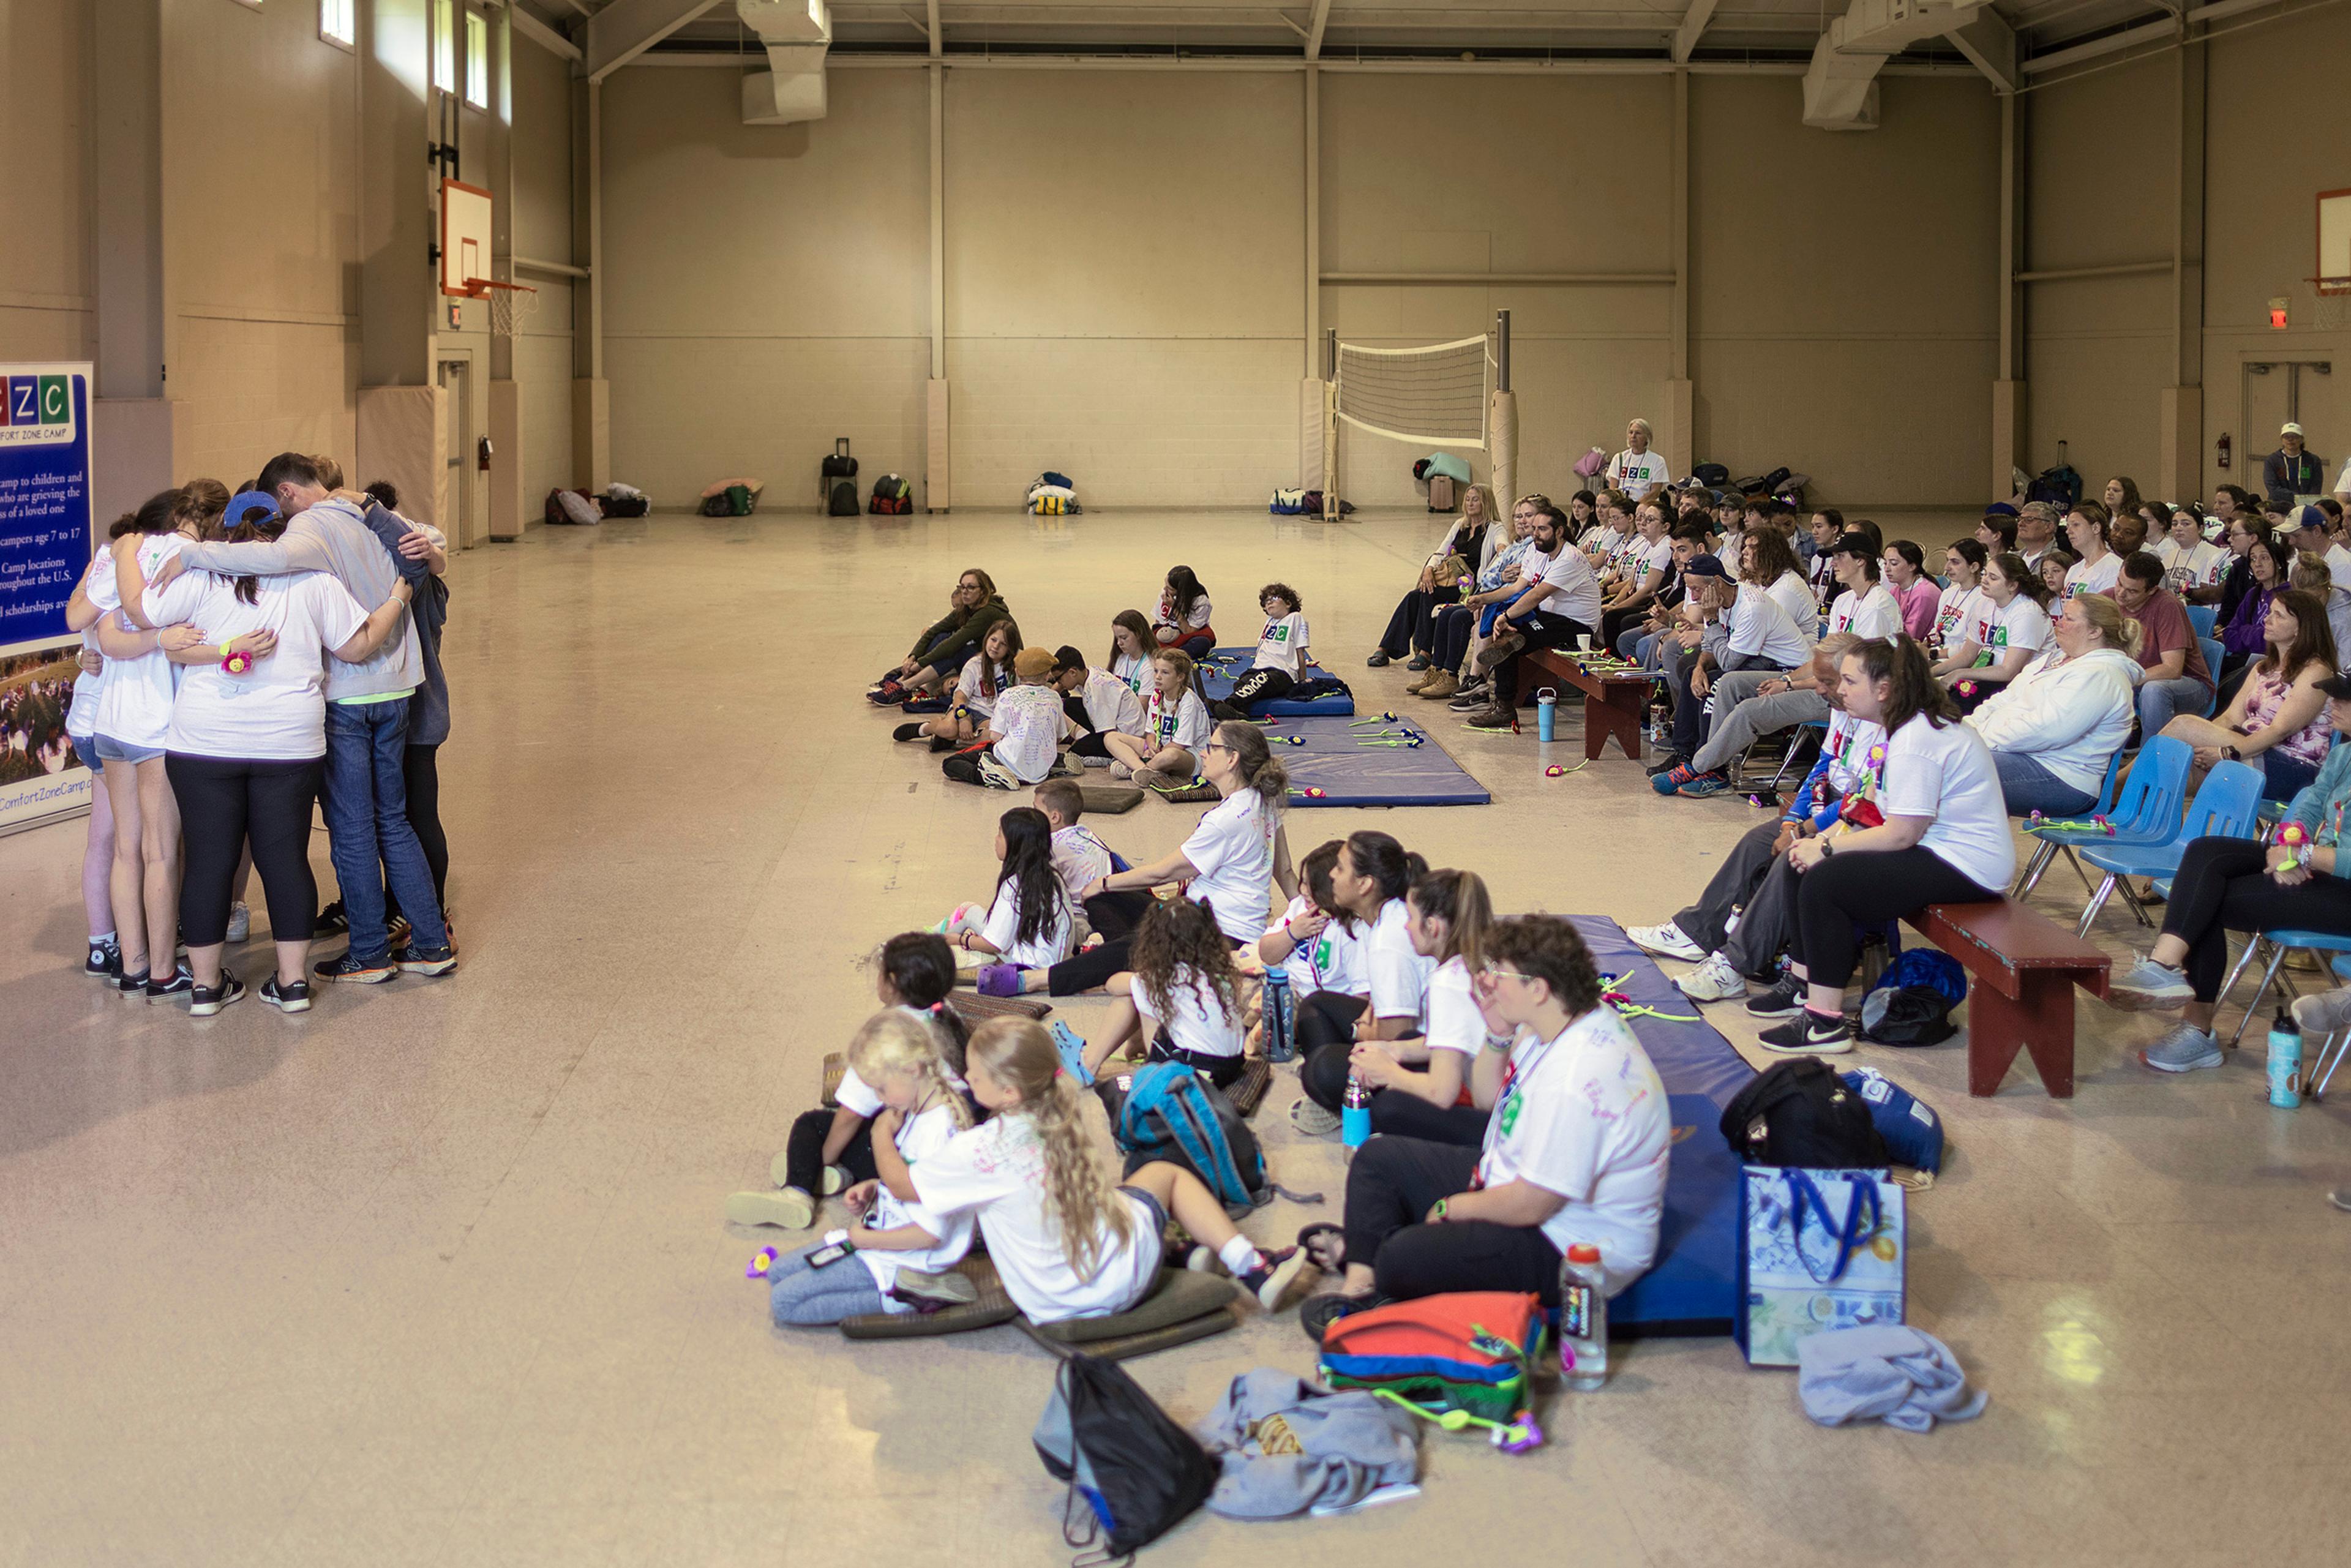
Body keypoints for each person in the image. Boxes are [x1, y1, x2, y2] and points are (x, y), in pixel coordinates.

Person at [1293, 914, 1670, 1340]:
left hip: (1570, 1245)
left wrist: (1450, 1208)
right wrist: (1497, 1033)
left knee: (1402, 1256)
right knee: (1376, 1159)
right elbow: (1491, 1099)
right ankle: (1361, 1285)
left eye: (1499, 975)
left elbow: (1533, 1204)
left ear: (1538, 988)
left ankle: (1378, 1265)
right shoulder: (1560, 1018)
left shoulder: (1577, 1078)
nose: (1487, 983)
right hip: (1511, 1176)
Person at [150, 457, 452, 985]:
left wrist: (189, 556)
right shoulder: (372, 516)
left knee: (350, 831)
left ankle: (370, 952)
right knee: (394, 820)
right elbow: (431, 556)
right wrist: (402, 592)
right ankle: (429, 944)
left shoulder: (303, 542)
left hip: (337, 705)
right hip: (397, 693)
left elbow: (155, 611)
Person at [912, 1018, 1314, 1321]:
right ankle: (1239, 1262)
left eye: (974, 1074)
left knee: (1142, 1183)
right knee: (1164, 1173)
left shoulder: (976, 1148)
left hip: (1052, 1303)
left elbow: (910, 1184)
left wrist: (883, 1133)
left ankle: (1212, 1260)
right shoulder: (1056, 1119)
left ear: (1009, 1092)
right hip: (1115, 1278)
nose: (965, 1079)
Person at [1752, 637, 2015, 1054]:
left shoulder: (1918, 737)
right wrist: (1816, 837)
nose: (1841, 689)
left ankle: (1824, 1023)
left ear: (1885, 690)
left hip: (1969, 866)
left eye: (1851, 681)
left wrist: (1828, 850)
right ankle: (1803, 984)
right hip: (1935, 848)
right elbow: (1871, 800)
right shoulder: (1902, 726)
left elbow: (1901, 833)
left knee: (1826, 881)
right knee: (1797, 859)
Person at [2109, 675, 2351, 1071]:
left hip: (2343, 888)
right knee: (2208, 853)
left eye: (2346, 696)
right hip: (2317, 864)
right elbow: (2310, 806)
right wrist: (2291, 845)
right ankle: (2163, 966)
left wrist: (2304, 855)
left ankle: (2197, 1031)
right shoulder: (2344, 756)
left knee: (2209, 899)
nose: (2333, 701)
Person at [1630, 636, 1875, 1002]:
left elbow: (1861, 800)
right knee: (1757, 842)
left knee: (1790, 860)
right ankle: (1697, 932)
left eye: (1827, 682)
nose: (1819, 689)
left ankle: (1734, 966)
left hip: (1863, 826)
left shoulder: (1882, 722)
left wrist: (1805, 831)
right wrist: (1793, 819)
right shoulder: (1844, 708)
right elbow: (1822, 771)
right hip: (1831, 811)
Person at [1039, 721, 1298, 996]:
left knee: (1113, 911)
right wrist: (1307, 912)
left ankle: (1039, 979)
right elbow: (1285, 871)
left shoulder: (1226, 820)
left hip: (1217, 937)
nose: (1204, 754)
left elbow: (1163, 873)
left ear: (1232, 759)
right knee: (1107, 897)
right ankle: (1135, 956)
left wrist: (1104, 881)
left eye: (1212, 747)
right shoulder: (1262, 800)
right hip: (1200, 918)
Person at [733, 933, 968, 1232]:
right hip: (948, 1142)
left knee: (812, 1125)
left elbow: (849, 1116)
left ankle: (799, 1192)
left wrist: (823, 1161)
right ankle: (841, 1177)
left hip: (905, 1157)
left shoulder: (888, 1035)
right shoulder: (947, 1013)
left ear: (893, 981)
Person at [758, 1009, 980, 1324]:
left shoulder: (939, 1132)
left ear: (913, 1069)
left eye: (881, 1088)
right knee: (777, 1273)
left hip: (908, 1261)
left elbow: (931, 1233)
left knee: (786, 1303)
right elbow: (912, 1181)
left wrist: (865, 1241)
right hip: (883, 1231)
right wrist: (876, 1187)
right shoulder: (914, 1108)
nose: (878, 1099)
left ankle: (907, 1300)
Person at [1655, 533, 1896, 797]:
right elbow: (1822, 660)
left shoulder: (1877, 607)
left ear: (1861, 561)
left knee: (1748, 709)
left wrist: (1791, 684)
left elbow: (1860, 677)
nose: (1834, 563)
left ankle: (1698, 766)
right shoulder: (1844, 601)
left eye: (1840, 557)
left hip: (1846, 697)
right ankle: (1714, 771)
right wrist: (1789, 680)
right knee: (1728, 681)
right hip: (1816, 681)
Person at [72, 490, 194, 997]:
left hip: (110, 724)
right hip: (154, 727)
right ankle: (164, 971)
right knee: (161, 851)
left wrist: (120, 556)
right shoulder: (174, 562)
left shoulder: (112, 561)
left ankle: (134, 965)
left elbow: (90, 627)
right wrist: (163, 640)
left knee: (127, 850)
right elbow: (149, 629)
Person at [1346, 868, 1498, 1147]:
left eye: (1411, 918)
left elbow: (1442, 1093)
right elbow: (1454, 1039)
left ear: (1433, 926)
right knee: (1404, 1042)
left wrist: (1389, 1072)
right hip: (1500, 1095)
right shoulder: (1478, 960)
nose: (1405, 927)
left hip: (1496, 1125)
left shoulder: (1447, 983)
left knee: (1389, 1106)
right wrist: (1393, 1050)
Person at [1292, 832, 1433, 1127]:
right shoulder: (1381, 916)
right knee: (1316, 1006)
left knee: (1320, 1070)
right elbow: (1377, 999)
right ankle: (1348, 1097)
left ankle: (1366, 1106)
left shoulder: (1390, 941)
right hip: (1403, 1034)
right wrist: (1365, 1024)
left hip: (1424, 1055)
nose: (1332, 873)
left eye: (1340, 868)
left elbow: (1396, 1037)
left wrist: (1360, 1032)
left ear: (1365, 884)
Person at [1966, 593, 2142, 817]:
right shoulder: (2053, 660)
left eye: (2069, 618)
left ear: (2094, 631)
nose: (2059, 622)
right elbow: (2004, 699)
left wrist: (1978, 739)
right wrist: (1966, 728)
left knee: (1948, 767)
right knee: (1936, 756)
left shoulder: (2102, 675)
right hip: (2021, 756)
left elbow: (2046, 730)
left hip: (2063, 780)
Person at [2156, 587, 2336, 798]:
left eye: (2278, 615)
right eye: (2270, 612)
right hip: (2251, 750)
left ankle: (2114, 787)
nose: (2267, 620)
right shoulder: (2263, 668)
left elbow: (2279, 731)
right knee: (2180, 770)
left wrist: (2226, 753)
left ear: (2301, 628)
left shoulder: (2316, 671)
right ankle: (2135, 810)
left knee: (2183, 725)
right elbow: (2231, 717)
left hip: (2292, 767)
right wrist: (2202, 746)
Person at [1061, 896, 1251, 1088]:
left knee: (1133, 995)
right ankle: (1132, 1050)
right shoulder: (1219, 973)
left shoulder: (1162, 977)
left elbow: (1113, 984)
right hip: (1231, 1065)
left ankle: (1090, 1063)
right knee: (1142, 991)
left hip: (1192, 1071)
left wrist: (1139, 976)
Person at [1460, 505, 1601, 731]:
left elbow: (1537, 595)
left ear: (1559, 532)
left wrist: (1506, 616)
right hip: (1548, 616)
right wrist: (1483, 598)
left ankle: (1504, 708)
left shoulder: (1570, 558)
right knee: (1508, 636)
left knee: (1508, 640)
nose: (1535, 534)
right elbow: (1517, 588)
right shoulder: (1536, 551)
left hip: (1576, 626)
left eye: (1542, 529)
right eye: (1534, 528)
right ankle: (1503, 704)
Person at [1415, 493, 1538, 704]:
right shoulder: (1515, 547)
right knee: (1441, 610)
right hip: (1493, 595)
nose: (1522, 520)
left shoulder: (1533, 549)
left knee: (1459, 618)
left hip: (1509, 602)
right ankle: (1440, 670)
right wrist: (1499, 577)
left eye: (1528, 516)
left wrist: (1487, 597)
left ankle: (1458, 677)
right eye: (1518, 516)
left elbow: (1521, 586)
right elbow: (1488, 576)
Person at [942, 806, 1075, 991]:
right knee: (972, 914)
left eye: (1000, 834)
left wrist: (961, 940)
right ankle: (943, 935)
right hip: (1056, 960)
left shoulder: (1015, 885)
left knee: (968, 910)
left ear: (1015, 843)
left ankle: (938, 940)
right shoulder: (1052, 876)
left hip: (1029, 967)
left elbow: (995, 944)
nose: (996, 840)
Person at [1369, 484, 1494, 667]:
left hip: (1467, 589)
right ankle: (1386, 648)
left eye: (1475, 500)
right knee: (1414, 596)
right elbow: (1441, 552)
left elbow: (1502, 548)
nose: (1470, 503)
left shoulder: (1494, 529)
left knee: (1429, 592)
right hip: (1448, 581)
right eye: (1468, 499)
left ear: (1486, 503)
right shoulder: (1460, 525)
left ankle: (1425, 650)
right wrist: (1429, 569)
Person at [1256, 839, 1368, 1035]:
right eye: (1303, 883)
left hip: (1317, 1005)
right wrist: (1292, 933)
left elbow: (1362, 997)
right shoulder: (1299, 907)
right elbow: (1266, 953)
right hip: (1285, 987)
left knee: (1274, 1023)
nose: (1303, 891)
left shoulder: (1351, 929)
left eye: (1311, 885)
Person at [2109, 550, 2214, 736]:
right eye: (2119, 583)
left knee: (2154, 690)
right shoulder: (2109, 599)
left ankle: (2153, 758)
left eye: (2132, 591)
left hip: (2188, 685)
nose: (2121, 594)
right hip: (2136, 683)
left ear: (2152, 590)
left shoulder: (2167, 606)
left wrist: (2124, 678)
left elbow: (2172, 670)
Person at [1932, 551, 2053, 710]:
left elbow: (2008, 671)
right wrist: (1930, 673)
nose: (1985, 580)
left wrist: (1961, 674)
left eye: (1993, 578)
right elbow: (1967, 655)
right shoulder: (1984, 603)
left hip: (2016, 684)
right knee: (1925, 691)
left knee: (1948, 707)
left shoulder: (2027, 613)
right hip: (1983, 674)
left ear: (2013, 585)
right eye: (1985, 574)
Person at [869, 569, 1010, 704]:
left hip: (1001, 664)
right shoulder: (966, 609)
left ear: (983, 591)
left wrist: (920, 664)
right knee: (941, 636)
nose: (965, 592)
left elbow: (955, 642)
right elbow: (934, 631)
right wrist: (913, 657)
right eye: (962, 587)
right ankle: (903, 679)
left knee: (956, 649)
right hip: (983, 656)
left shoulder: (988, 612)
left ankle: (905, 685)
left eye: (971, 588)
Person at [940, 646, 1070, 790]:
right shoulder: (1055, 697)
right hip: (1041, 772)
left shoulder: (1008, 695)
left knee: (951, 763)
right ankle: (1051, 765)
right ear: (1047, 676)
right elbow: (1058, 738)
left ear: (1017, 673)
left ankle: (987, 776)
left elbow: (996, 736)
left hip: (1008, 761)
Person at [896, 617, 1019, 748]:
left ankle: (953, 741)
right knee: (948, 729)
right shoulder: (974, 664)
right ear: (987, 639)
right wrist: (964, 718)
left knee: (995, 737)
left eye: (1003, 644)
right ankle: (925, 729)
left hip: (990, 716)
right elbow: (960, 696)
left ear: (1010, 648)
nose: (995, 646)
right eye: (993, 640)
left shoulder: (1015, 668)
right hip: (968, 708)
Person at [1103, 648, 1210, 787]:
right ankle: (1145, 771)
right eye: (1156, 671)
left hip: (1189, 756)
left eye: (1165, 673)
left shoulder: (1188, 701)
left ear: (1180, 677)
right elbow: (1150, 733)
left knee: (1171, 755)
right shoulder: (1156, 695)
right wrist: (1151, 745)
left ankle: (1140, 767)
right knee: (1111, 737)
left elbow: (1180, 745)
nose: (1158, 677)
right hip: (1160, 749)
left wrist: (1155, 754)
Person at [1213, 583, 1312, 719]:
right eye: (1266, 601)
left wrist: (1302, 682)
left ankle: (1229, 704)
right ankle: (1239, 715)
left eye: (1275, 598)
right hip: (1259, 669)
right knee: (1242, 683)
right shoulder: (1269, 622)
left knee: (1260, 680)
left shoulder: (1295, 618)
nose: (1269, 601)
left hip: (1282, 672)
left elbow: (1300, 653)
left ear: (1288, 603)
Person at [2218, 531, 2295, 681]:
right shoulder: (2253, 593)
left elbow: (2276, 641)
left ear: (2279, 563)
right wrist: (2255, 634)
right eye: (2253, 559)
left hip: (2275, 663)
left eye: (2264, 558)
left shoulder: (2289, 596)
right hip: (2245, 659)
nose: (2257, 564)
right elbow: (2230, 634)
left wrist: (2246, 631)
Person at [1049, 644, 1145, 762]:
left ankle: (1114, 759)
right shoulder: (1088, 673)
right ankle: (1084, 736)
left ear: (1073, 672)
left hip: (1124, 737)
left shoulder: (1097, 692)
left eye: (1059, 679)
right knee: (1068, 705)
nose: (1059, 683)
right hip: (1111, 721)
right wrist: (1047, 697)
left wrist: (1117, 754)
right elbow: (1058, 689)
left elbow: (1109, 733)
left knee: (1075, 753)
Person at [2154, 501, 2229, 603]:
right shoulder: (2168, 555)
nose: (2179, 528)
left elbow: (2211, 594)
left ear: (2201, 529)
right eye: (2175, 524)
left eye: (2186, 524)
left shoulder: (2215, 555)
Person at [1930, 541, 1990, 659]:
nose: (1947, 568)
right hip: (1935, 655)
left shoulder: (1983, 599)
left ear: (1974, 567)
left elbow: (1971, 647)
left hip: (1957, 661)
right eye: (1948, 560)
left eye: (1955, 562)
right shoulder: (1948, 593)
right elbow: (1937, 629)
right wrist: (1924, 646)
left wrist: (1933, 654)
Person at [1881, 542, 1943, 640]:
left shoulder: (1924, 594)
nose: (1887, 569)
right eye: (1885, 563)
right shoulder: (1895, 590)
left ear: (1912, 566)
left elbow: (1911, 637)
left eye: (1894, 564)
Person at [2061, 501, 2121, 600]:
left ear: (2096, 528)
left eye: (2075, 525)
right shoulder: (2074, 570)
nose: (2068, 531)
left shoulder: (2114, 568)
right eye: (2068, 526)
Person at [1153, 565, 1215, 656]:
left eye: (1170, 589)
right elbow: (1158, 622)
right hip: (1168, 633)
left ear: (1182, 591)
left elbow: (1188, 631)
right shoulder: (1165, 594)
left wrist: (1174, 608)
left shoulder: (1201, 602)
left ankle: (1173, 656)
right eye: (1165, 585)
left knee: (1202, 643)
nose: (1165, 589)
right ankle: (1171, 654)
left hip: (1186, 636)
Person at [2289, 503, 2351, 590]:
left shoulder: (2343, 564)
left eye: (2296, 536)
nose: (2291, 542)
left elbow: (2338, 603)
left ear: (2317, 531)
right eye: (2289, 537)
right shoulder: (2296, 561)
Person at [2265, 421, 2327, 507]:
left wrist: (2305, 501)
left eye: (2295, 436)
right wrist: (2296, 497)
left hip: (2306, 506)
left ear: (2301, 440)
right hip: (2279, 506)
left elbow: (2316, 486)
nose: (2290, 440)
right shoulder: (2272, 460)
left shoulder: (2313, 460)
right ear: (2282, 440)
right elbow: (2273, 488)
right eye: (2287, 437)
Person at [1604, 418, 1672, 495]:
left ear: (1647, 437)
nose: (1633, 436)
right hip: (1621, 504)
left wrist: (1637, 504)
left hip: (1644, 504)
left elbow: (1655, 492)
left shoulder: (1658, 461)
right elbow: (1613, 488)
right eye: (1631, 432)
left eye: (1638, 433)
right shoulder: (1619, 458)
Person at [1106, 610, 1155, 696]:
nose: (1119, 643)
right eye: (1117, 638)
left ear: (1139, 634)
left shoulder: (1150, 666)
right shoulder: (1121, 659)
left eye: (1124, 638)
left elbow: (1142, 707)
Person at [2015, 501, 2062, 572]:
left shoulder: (2058, 561)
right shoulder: (2013, 558)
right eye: (2020, 519)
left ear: (2049, 527)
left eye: (2029, 519)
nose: (2020, 523)